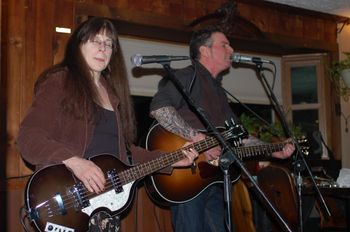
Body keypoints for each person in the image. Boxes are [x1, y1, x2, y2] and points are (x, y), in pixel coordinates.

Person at [16, 17, 198, 232]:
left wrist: (172, 159)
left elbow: (127, 154)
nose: (103, 48)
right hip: (66, 205)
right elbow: (29, 138)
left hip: (103, 211)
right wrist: (76, 162)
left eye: (109, 43)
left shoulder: (112, 95)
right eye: (95, 40)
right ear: (77, 45)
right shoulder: (59, 82)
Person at [149, 26, 296, 232]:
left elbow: (240, 135)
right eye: (224, 44)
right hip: (187, 178)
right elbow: (159, 108)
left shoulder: (218, 90)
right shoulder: (186, 76)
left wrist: (273, 149)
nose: (231, 49)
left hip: (212, 179)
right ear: (205, 50)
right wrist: (197, 137)